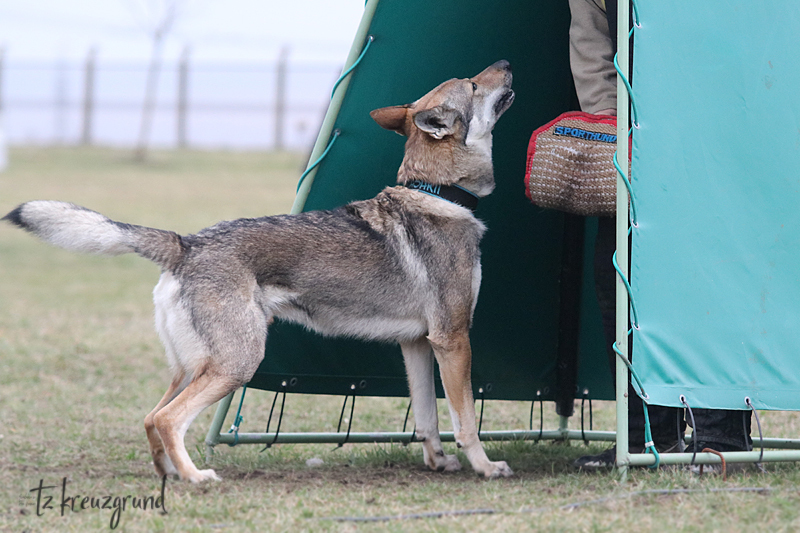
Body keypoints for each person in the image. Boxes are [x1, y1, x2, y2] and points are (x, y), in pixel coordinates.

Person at [567, 0, 752, 470]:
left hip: (721, 124)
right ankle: (646, 436)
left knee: (712, 273)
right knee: (617, 271)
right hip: (635, 137)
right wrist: (613, 127)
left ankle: (721, 440)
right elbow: (591, 45)